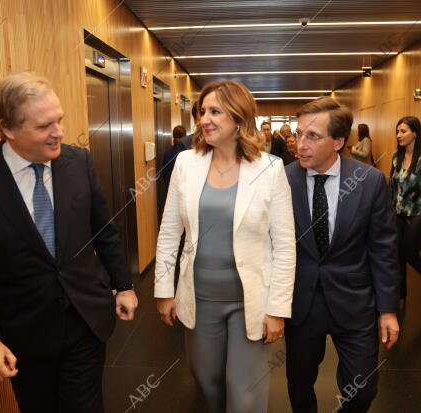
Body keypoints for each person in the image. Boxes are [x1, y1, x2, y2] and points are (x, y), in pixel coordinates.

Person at [0, 72, 138, 413]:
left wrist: (123, 285)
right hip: (24, 331)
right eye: (44, 125)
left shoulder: (78, 162)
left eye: (59, 120)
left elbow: (103, 230)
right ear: (8, 128)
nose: (59, 132)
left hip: (85, 318)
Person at [154, 80, 296, 413]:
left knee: (244, 395)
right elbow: (169, 231)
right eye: (202, 112)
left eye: (215, 111)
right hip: (199, 299)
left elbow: (286, 244)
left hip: (250, 301)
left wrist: (277, 309)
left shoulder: (270, 169)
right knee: (209, 383)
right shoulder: (186, 164)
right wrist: (163, 289)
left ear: (239, 118)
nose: (205, 119)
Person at [284, 96, 400, 413]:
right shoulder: (282, 179)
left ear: (338, 141)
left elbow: (383, 248)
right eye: (298, 134)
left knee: (362, 390)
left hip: (355, 301)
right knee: (299, 384)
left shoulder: (370, 181)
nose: (300, 144)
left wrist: (387, 310)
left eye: (312, 136)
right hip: (302, 300)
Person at [389, 116, 421, 306]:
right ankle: (401, 295)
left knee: (410, 253)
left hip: (419, 212)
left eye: (403, 131)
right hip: (398, 212)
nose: (399, 135)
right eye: (397, 131)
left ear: (415, 133)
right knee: (397, 255)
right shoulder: (397, 157)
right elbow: (392, 188)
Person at [163, 125, 187, 191]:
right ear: (185, 136)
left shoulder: (167, 153)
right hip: (183, 190)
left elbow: (165, 174)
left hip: (170, 188)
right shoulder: (187, 153)